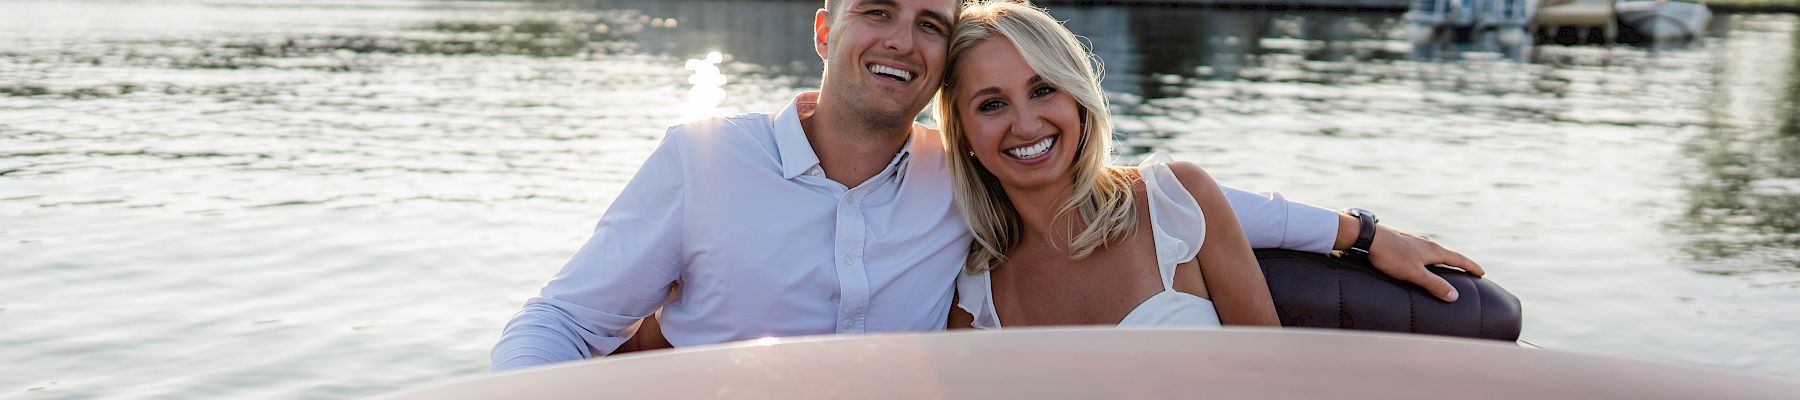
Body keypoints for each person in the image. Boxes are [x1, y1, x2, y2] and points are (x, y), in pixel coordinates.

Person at [491, 0, 1482, 371]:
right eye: (878, 10)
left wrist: (1359, 233)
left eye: (930, 21)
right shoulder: (703, 160)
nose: (904, 39)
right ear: (828, 28)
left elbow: (1172, 199)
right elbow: (558, 325)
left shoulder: (955, 188)